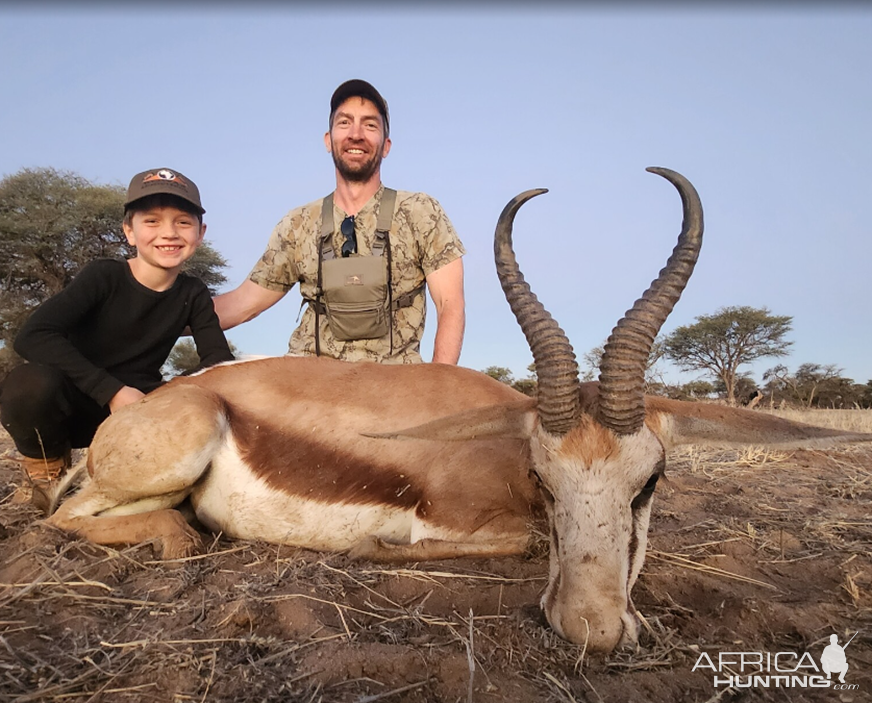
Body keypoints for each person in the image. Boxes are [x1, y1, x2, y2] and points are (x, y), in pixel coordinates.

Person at [0, 168, 234, 512]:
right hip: (76, 405)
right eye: (151, 221)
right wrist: (111, 391)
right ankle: (45, 474)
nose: (168, 233)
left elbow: (217, 361)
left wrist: (169, 398)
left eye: (183, 222)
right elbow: (32, 336)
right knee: (28, 385)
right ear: (129, 231)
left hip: (139, 412)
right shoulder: (103, 276)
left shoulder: (193, 293)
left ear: (200, 234)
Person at [213, 79, 465, 364]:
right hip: (309, 386)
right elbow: (243, 304)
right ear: (328, 140)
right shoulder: (298, 223)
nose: (356, 134)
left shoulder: (421, 211)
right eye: (344, 123)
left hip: (396, 390)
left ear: (386, 146)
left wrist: (437, 389)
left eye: (370, 125)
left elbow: (450, 304)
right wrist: (166, 312)